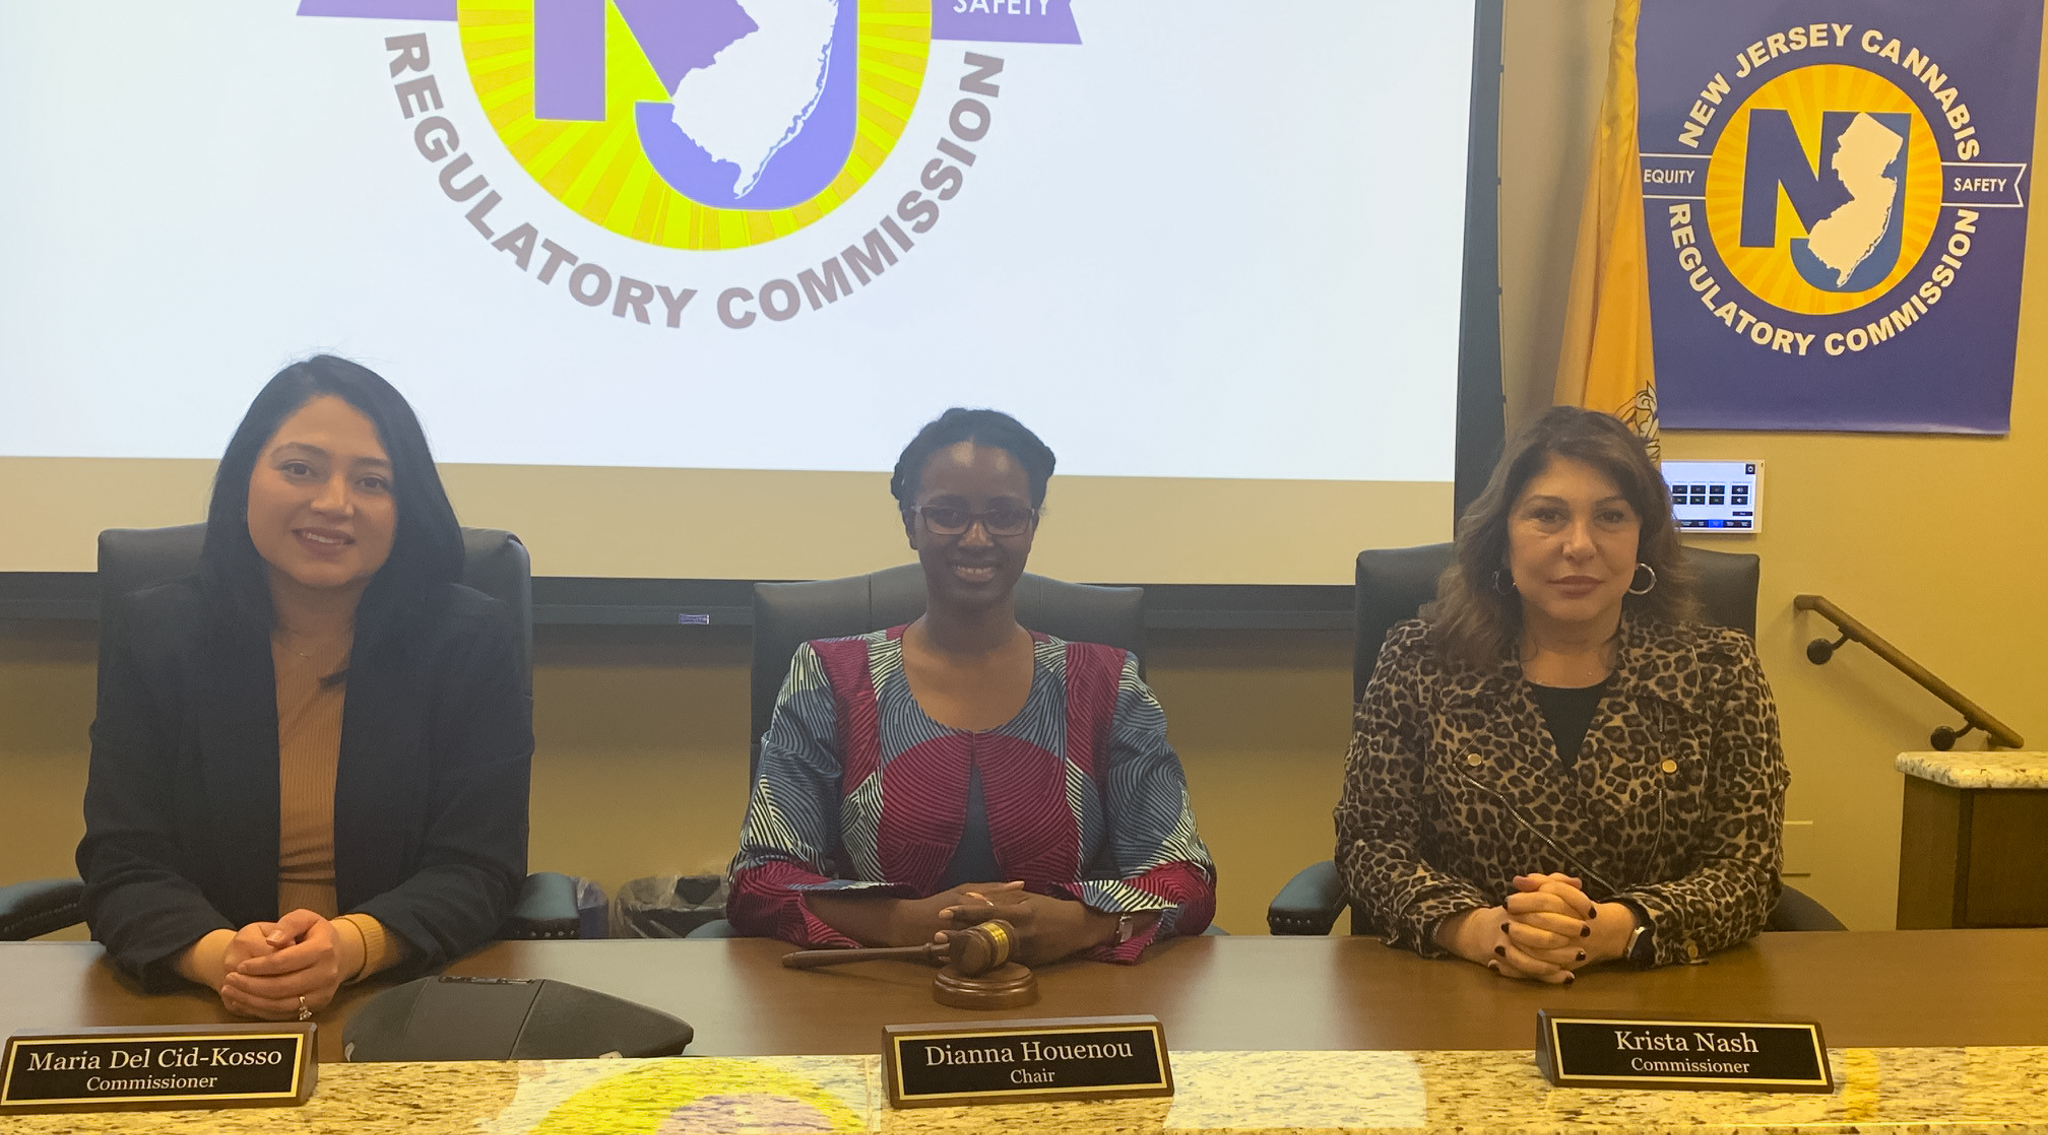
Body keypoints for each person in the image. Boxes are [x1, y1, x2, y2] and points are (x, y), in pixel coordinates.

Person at [78, 355, 532, 1018]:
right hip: (203, 1002)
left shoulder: (467, 641)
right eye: (300, 469)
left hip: (400, 998)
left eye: (373, 481)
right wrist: (222, 958)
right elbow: (123, 863)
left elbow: (478, 867)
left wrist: (347, 947)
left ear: (406, 509)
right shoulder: (158, 634)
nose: (333, 503)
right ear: (244, 483)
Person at [727, 408, 1215, 964]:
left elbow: (1185, 878)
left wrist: (1080, 923)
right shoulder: (831, 677)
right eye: (947, 514)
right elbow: (761, 880)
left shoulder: (1105, 684)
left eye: (1005, 514)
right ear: (910, 524)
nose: (977, 537)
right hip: (877, 992)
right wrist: (905, 921)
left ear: (1031, 525)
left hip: (1071, 1001)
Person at [1334, 407, 1787, 982]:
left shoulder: (1720, 669)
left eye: (1611, 516)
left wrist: (1610, 930)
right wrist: (1482, 931)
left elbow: (1747, 871)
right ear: (1502, 542)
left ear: (1644, 539)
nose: (1580, 545)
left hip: (1657, 991)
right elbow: (1371, 847)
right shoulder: (1420, 659)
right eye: (1547, 516)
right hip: (1459, 986)